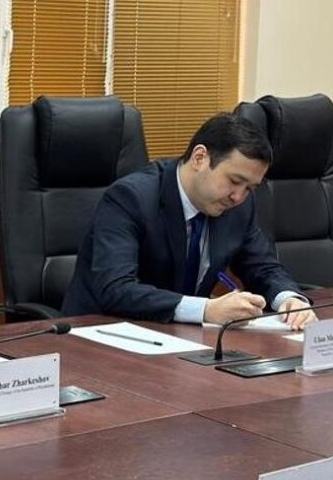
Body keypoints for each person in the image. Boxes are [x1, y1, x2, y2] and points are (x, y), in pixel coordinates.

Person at [62, 112, 316, 327]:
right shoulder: (130, 198)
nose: (238, 196)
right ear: (199, 158)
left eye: (250, 188)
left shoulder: (238, 206)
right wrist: (205, 309)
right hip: (100, 333)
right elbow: (115, 289)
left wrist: (288, 299)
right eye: (234, 181)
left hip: (179, 338)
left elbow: (262, 267)